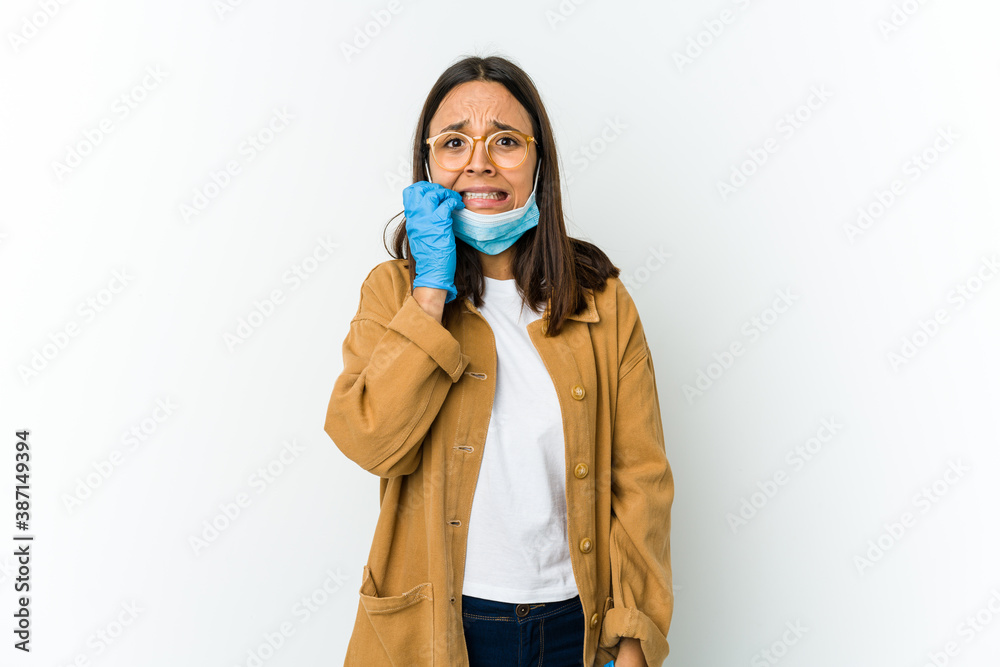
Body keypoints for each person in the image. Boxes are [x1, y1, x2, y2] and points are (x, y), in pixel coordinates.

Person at [323, 54, 673, 667]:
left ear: (539, 162)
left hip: (575, 627)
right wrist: (429, 291)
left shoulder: (603, 301)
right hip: (436, 627)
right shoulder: (392, 293)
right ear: (427, 164)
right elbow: (370, 441)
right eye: (455, 142)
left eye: (505, 141)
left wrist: (634, 636)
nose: (479, 161)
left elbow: (640, 480)